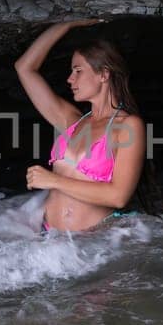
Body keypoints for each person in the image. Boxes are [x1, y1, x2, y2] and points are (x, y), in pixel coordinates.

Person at [15, 20, 151, 232]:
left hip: (93, 247)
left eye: (78, 70)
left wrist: (54, 181)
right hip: (50, 241)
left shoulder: (128, 126)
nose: (70, 79)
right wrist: (65, 25)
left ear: (104, 74)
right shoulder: (72, 121)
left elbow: (118, 197)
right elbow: (24, 68)